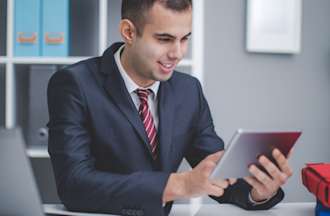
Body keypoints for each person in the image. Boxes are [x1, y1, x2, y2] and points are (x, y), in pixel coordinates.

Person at [47, 1, 293, 215]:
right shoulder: (74, 84)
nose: (177, 53)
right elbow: (74, 184)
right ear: (129, 32)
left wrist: (258, 190)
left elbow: (215, 174)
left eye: (184, 38)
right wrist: (179, 185)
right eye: (164, 39)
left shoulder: (188, 91)